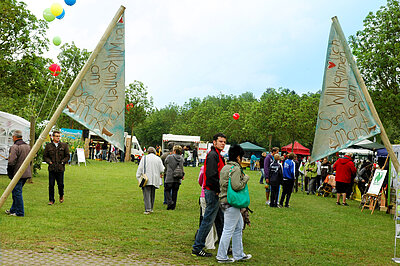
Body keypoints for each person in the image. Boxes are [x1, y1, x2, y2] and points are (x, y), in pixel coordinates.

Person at [216, 144, 252, 263]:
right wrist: (245, 178)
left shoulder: (225, 167)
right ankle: (221, 256)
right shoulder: (236, 169)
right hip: (232, 202)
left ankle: (239, 254)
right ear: (238, 157)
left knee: (238, 227)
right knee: (229, 230)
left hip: (224, 200)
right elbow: (236, 186)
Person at [192, 133, 226, 257]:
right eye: (220, 141)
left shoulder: (218, 155)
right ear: (214, 142)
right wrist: (217, 190)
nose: (223, 143)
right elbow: (211, 175)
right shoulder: (213, 156)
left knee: (220, 221)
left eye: (224, 142)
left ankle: (225, 246)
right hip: (212, 192)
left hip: (215, 192)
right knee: (207, 221)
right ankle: (197, 247)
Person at [5, 130, 31, 217]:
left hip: (18, 173)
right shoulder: (27, 146)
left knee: (17, 192)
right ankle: (13, 210)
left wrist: (9, 172)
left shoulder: (15, 147)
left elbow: (12, 161)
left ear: (14, 137)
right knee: (16, 191)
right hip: (26, 172)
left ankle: (20, 212)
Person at [43, 130, 70, 205]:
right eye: (56, 136)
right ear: (53, 137)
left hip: (60, 168)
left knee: (60, 184)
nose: (58, 138)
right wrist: (49, 162)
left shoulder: (64, 145)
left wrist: (63, 162)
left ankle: (61, 195)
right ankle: (51, 200)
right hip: (52, 168)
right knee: (51, 185)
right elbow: (45, 156)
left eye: (59, 136)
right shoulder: (48, 146)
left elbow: (67, 156)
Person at [136, 147, 164, 214]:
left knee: (146, 194)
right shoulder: (158, 158)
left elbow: (140, 168)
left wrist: (138, 176)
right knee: (152, 194)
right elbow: (162, 169)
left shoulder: (144, 158)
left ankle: (148, 209)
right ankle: (151, 208)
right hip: (155, 179)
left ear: (148, 152)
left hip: (146, 178)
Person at [197, 165, 218, 249]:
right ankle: (214, 239)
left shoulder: (203, 168)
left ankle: (209, 243)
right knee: (214, 219)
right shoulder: (218, 167)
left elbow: (200, 181)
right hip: (215, 194)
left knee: (206, 219)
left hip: (204, 194)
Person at [164, 145, 185, 210]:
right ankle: (173, 206)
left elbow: (165, 162)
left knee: (167, 190)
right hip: (177, 178)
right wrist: (183, 175)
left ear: (174, 151)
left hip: (169, 177)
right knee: (175, 192)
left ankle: (170, 202)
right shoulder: (181, 158)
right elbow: (182, 168)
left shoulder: (169, 157)